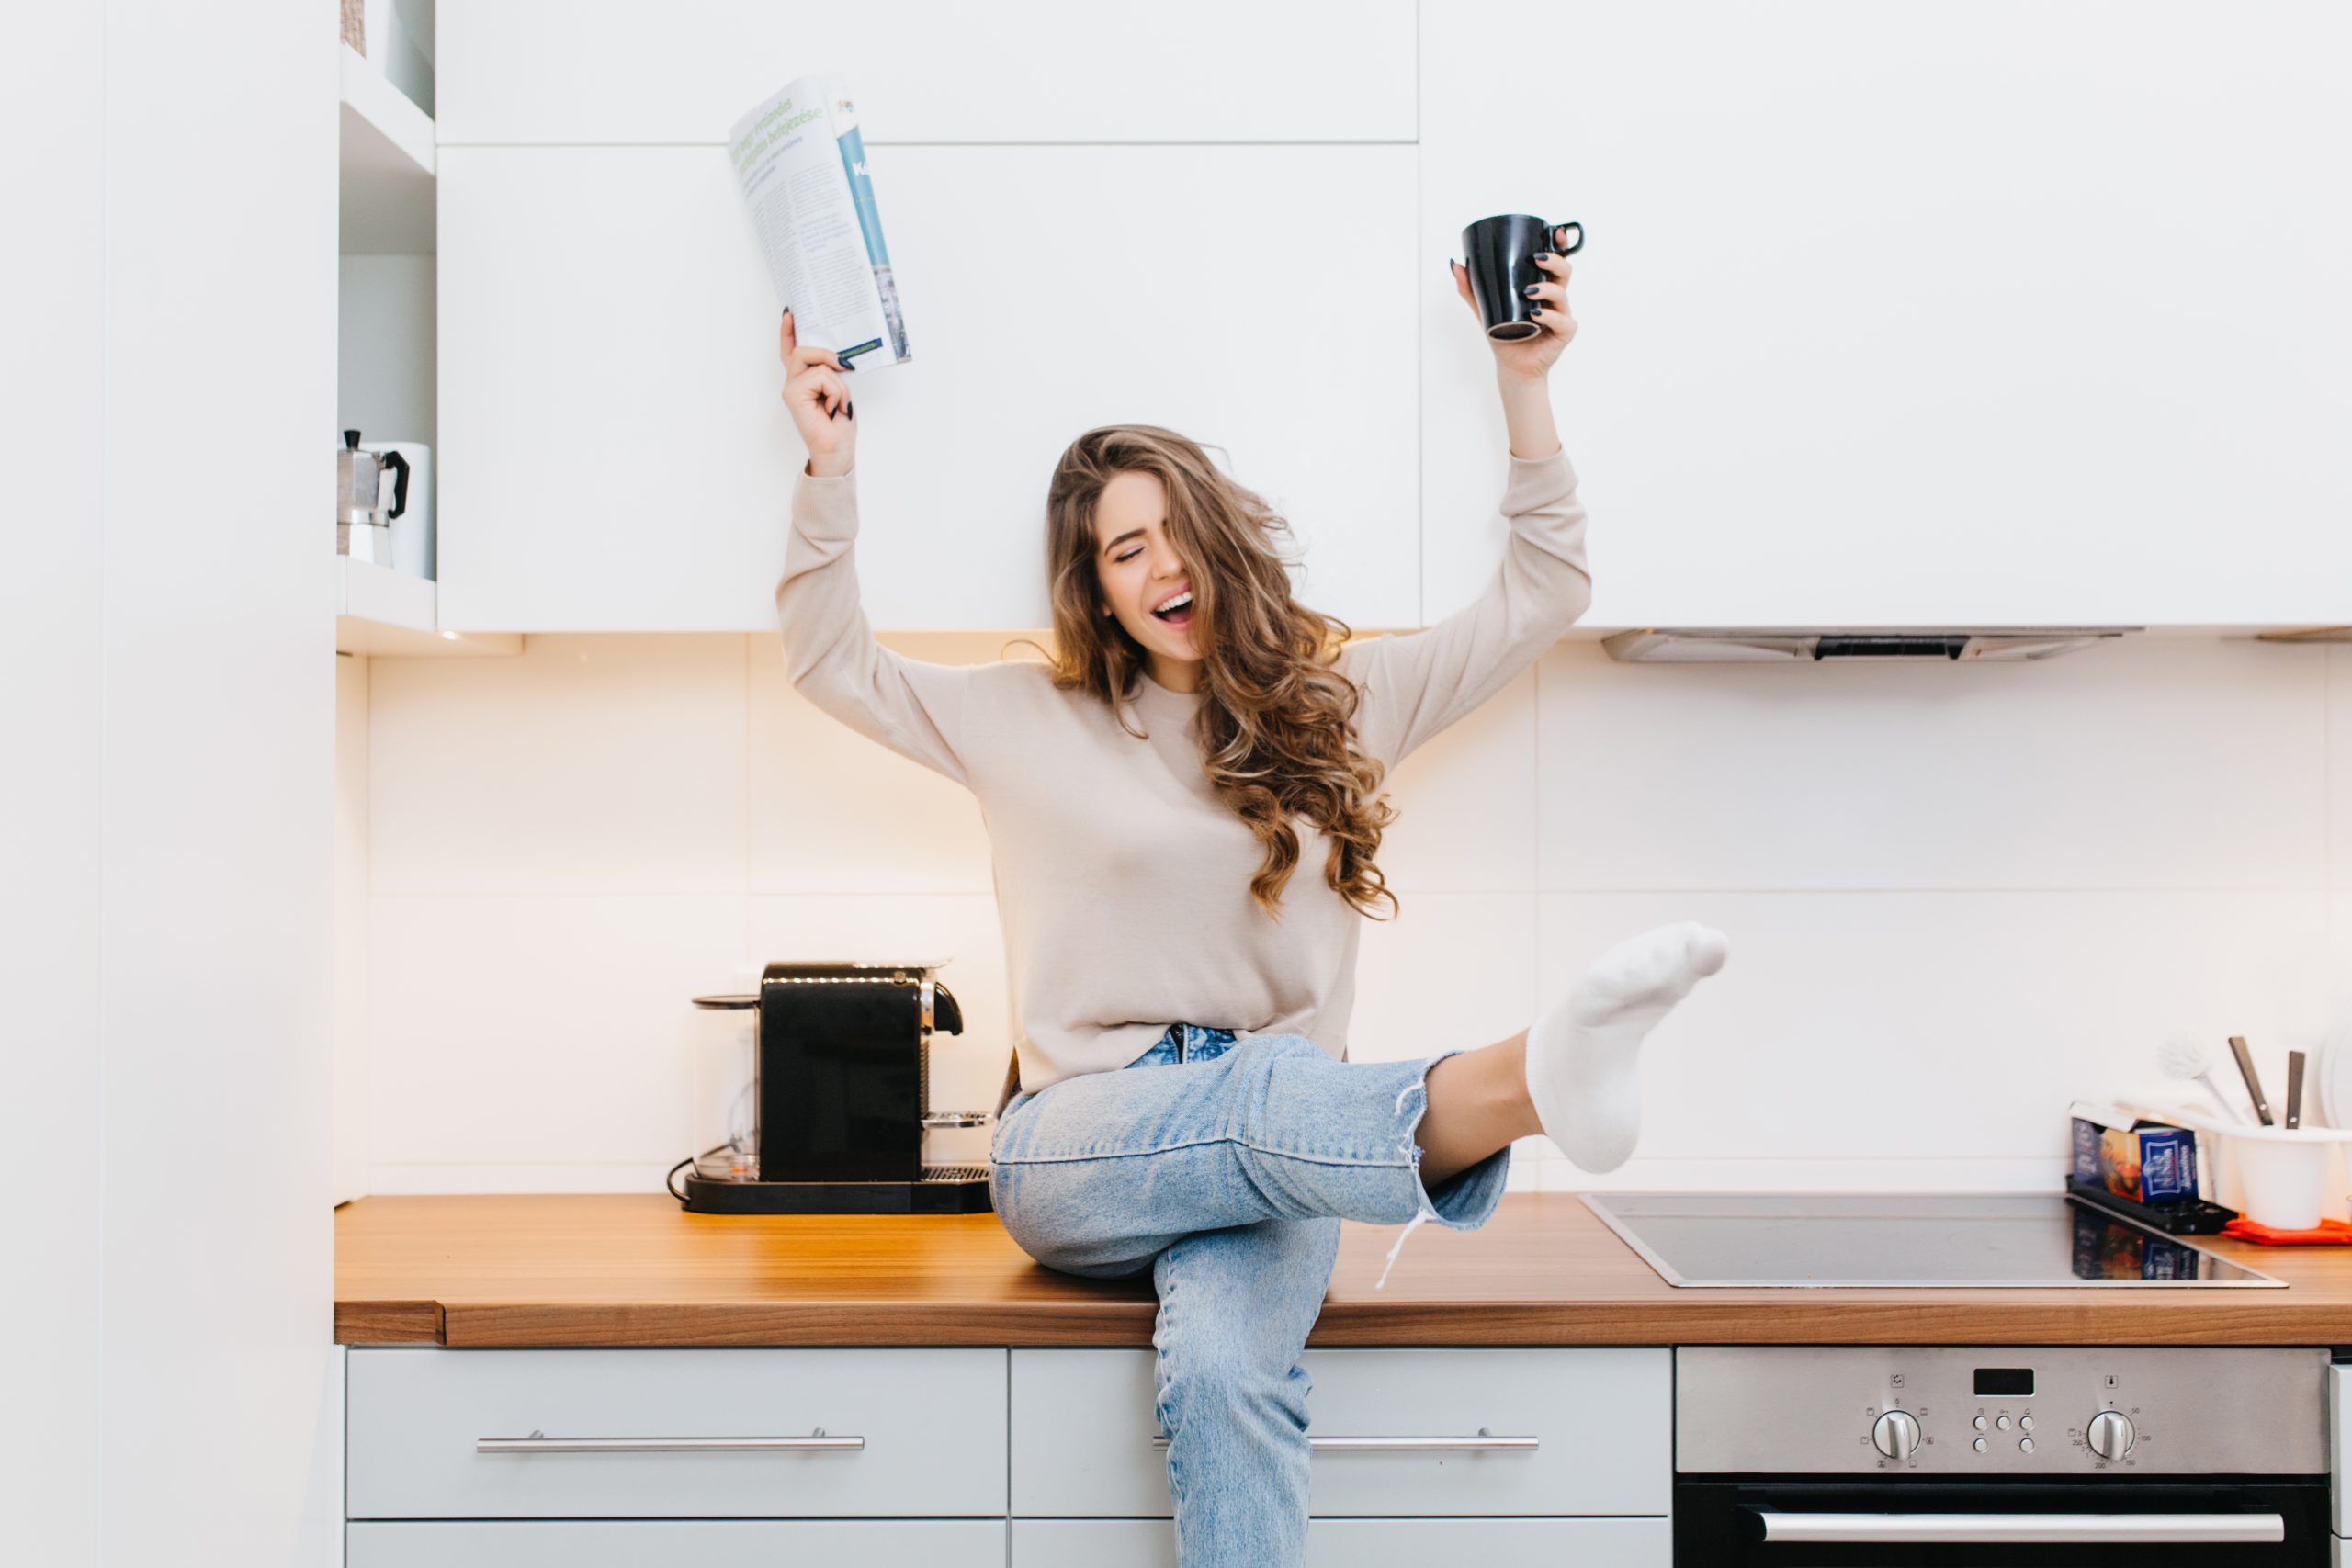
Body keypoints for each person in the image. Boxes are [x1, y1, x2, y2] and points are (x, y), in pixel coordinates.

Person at [771, 232, 1727, 1567]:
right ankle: (1527, 1081)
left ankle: (1531, 1079)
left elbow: (1542, 594)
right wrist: (830, 470)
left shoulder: (1340, 707)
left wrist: (1526, 383)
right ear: (1094, 589)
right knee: (1271, 1090)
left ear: (1217, 539)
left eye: (1172, 534)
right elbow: (829, 662)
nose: (1158, 569)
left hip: (1284, 1163)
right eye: (1121, 553)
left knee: (1227, 1374)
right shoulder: (1022, 720)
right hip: (1078, 1148)